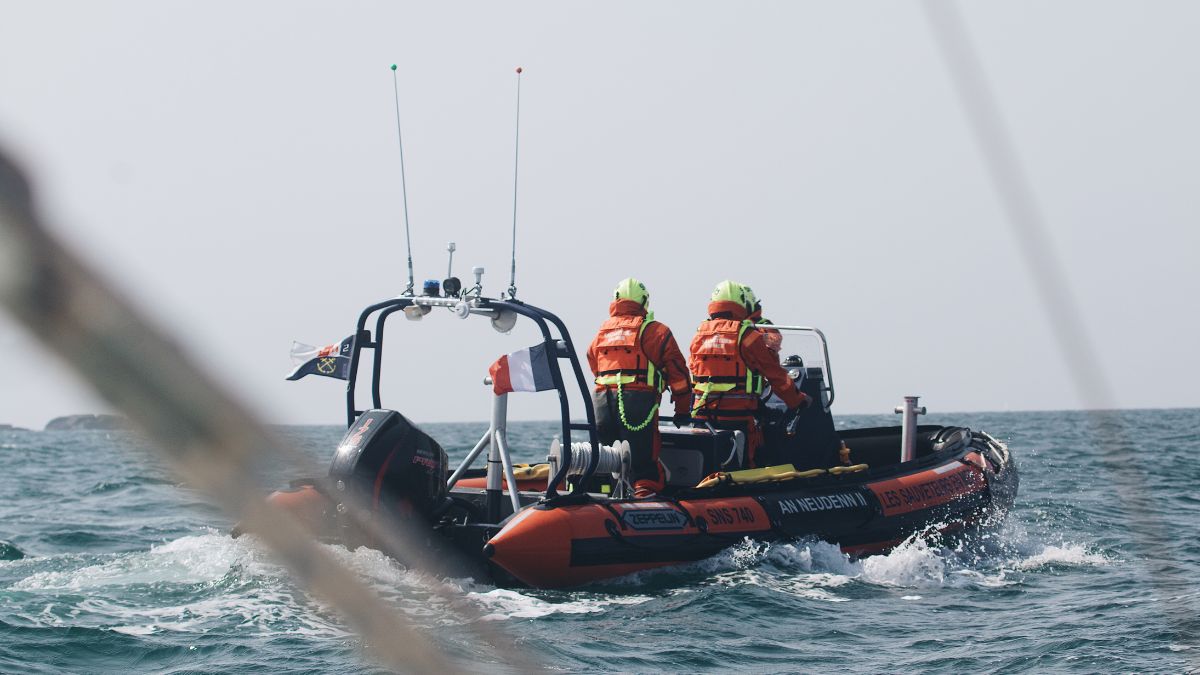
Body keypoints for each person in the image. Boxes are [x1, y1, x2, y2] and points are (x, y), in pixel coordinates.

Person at [588, 278, 692, 498]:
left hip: (601, 404)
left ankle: (606, 496)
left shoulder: (602, 332)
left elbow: (592, 361)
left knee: (608, 459)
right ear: (644, 302)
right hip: (637, 404)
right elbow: (679, 375)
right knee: (643, 462)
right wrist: (683, 411)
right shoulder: (657, 332)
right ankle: (645, 500)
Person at [689, 280, 810, 468]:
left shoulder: (700, 334)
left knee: (705, 463)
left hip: (702, 415)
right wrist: (798, 400)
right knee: (745, 465)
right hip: (736, 416)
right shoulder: (748, 335)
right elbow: (775, 374)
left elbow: (693, 369)